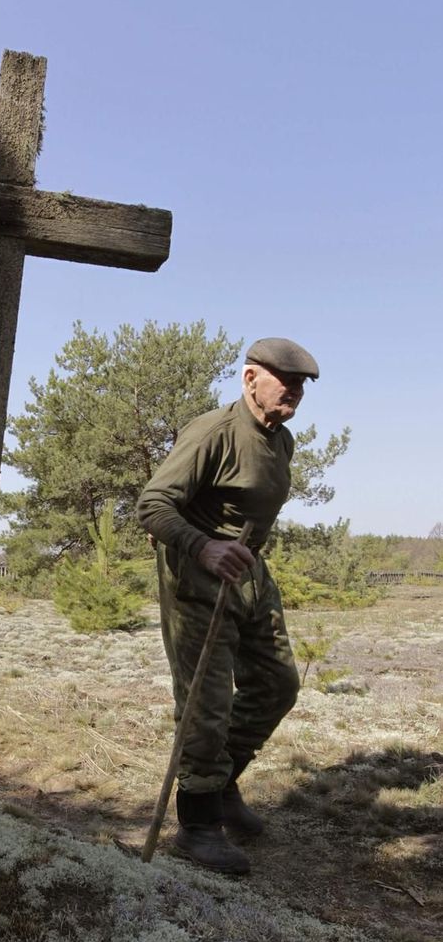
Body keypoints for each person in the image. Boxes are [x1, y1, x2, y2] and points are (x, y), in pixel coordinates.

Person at [137, 337, 320, 874]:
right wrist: (204, 545)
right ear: (249, 379)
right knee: (206, 704)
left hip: (249, 573)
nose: (294, 391)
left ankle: (222, 786)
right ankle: (197, 824)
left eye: (302, 385)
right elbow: (153, 504)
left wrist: (242, 558)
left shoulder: (281, 440)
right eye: (283, 380)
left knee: (278, 684)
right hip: (199, 576)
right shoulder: (213, 433)